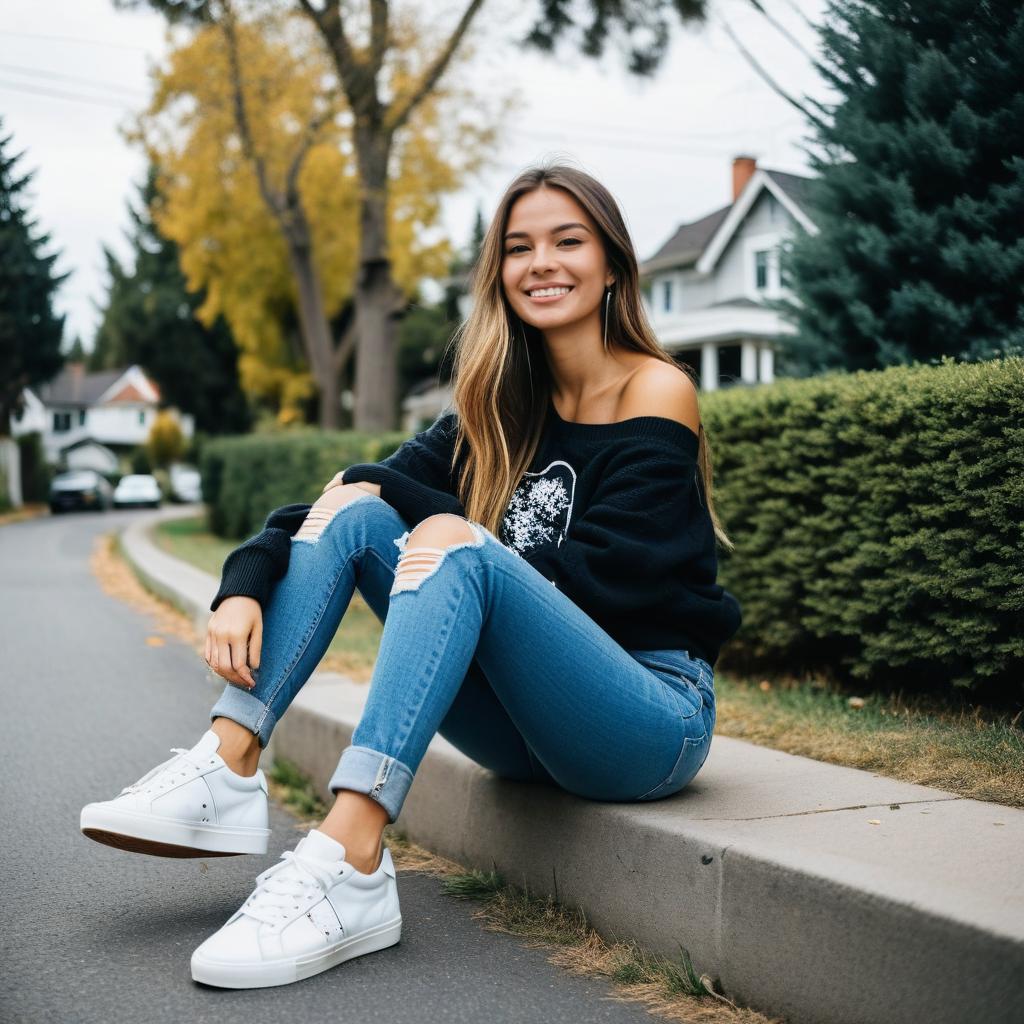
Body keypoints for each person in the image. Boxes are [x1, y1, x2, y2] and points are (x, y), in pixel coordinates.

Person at [80, 162, 742, 990]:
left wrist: (449, 530)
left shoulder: (657, 389)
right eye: (519, 247)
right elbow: (351, 495)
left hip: (648, 716)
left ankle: (352, 854)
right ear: (498, 273)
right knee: (365, 517)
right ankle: (228, 760)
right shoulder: (497, 402)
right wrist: (245, 577)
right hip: (531, 731)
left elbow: (610, 583)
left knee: (453, 541)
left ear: (612, 263)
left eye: (568, 242)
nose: (542, 263)